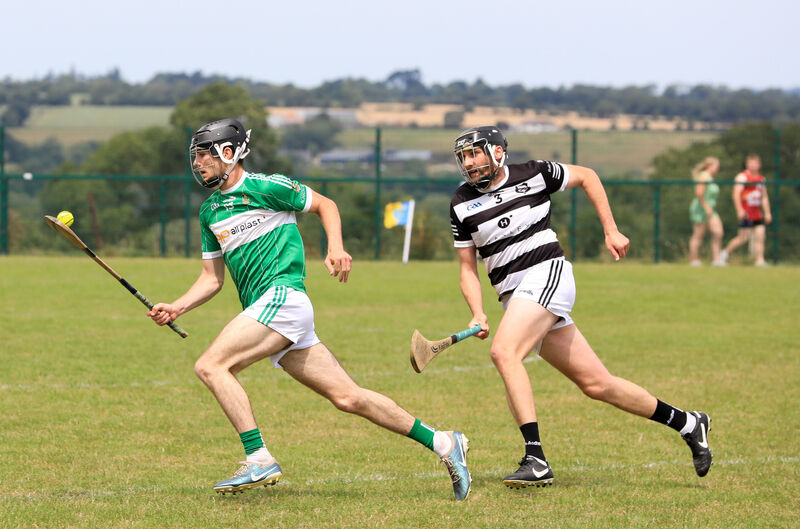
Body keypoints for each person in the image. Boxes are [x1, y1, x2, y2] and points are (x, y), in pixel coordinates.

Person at [148, 118, 471, 500]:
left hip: (283, 298)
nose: (197, 163)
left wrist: (336, 246)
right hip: (272, 312)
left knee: (211, 366)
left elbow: (324, 205)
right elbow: (211, 279)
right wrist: (177, 307)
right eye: (195, 156)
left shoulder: (266, 187)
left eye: (205, 154)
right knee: (348, 398)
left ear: (229, 153)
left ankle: (258, 458)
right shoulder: (209, 213)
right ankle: (445, 442)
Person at [449, 126, 712, 489]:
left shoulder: (535, 173)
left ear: (497, 152)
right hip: (515, 298)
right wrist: (478, 312)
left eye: (475, 153)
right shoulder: (460, 203)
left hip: (547, 274)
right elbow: (467, 268)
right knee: (597, 384)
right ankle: (689, 423)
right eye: (463, 157)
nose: (469, 162)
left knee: (504, 353)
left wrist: (611, 230)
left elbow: (588, 176)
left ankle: (536, 459)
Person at [720, 154, 772, 266]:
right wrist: (739, 210)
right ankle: (724, 253)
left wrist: (767, 212)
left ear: (759, 165)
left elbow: (764, 197)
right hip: (746, 213)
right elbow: (736, 194)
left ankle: (760, 260)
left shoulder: (761, 179)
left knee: (760, 235)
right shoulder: (742, 177)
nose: (752, 165)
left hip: (756, 213)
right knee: (743, 238)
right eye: (750, 163)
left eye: (754, 163)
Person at [688, 156, 724, 266]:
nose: (718, 168)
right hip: (701, 209)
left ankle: (717, 260)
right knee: (698, 235)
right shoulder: (703, 177)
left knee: (718, 232)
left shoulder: (710, 178)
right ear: (709, 166)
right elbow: (699, 193)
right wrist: (706, 207)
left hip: (711, 210)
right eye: (716, 166)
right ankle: (694, 260)